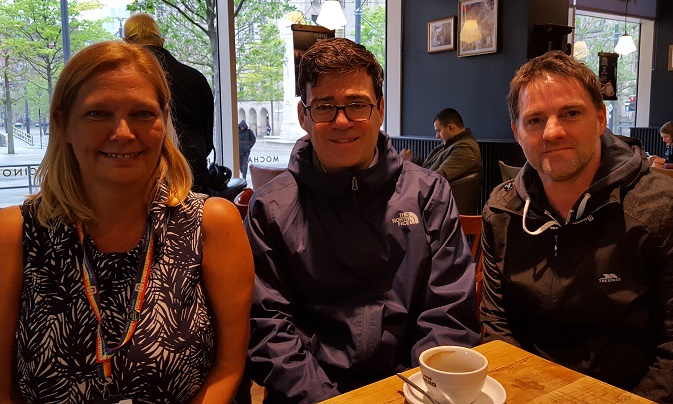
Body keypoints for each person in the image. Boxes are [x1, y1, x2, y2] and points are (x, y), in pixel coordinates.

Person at [0, 41, 254, 403]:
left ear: (165, 119)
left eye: (141, 113)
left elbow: (228, 370)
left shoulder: (211, 224)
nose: (122, 133)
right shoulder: (14, 234)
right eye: (98, 113)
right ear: (63, 123)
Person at [245, 38, 480, 403]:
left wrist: (417, 393)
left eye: (357, 104)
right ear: (303, 115)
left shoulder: (428, 195)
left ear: (380, 109)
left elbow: (449, 313)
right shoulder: (270, 208)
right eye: (324, 106)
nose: (342, 121)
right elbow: (268, 329)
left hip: (413, 393)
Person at [480, 50, 673, 402]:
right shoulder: (501, 211)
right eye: (534, 120)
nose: (552, 132)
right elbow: (498, 325)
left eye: (570, 113)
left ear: (601, 118)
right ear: (517, 133)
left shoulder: (662, 207)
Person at [123, 12, 215, 194]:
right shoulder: (196, 78)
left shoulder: (125, 81)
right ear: (162, 41)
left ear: (126, 43)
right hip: (193, 179)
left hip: (148, 183)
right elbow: (207, 139)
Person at [401, 108, 481, 182]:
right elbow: (429, 168)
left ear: (451, 128)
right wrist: (412, 161)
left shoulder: (465, 149)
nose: (437, 136)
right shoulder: (452, 144)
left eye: (438, 131)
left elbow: (436, 178)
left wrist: (407, 170)